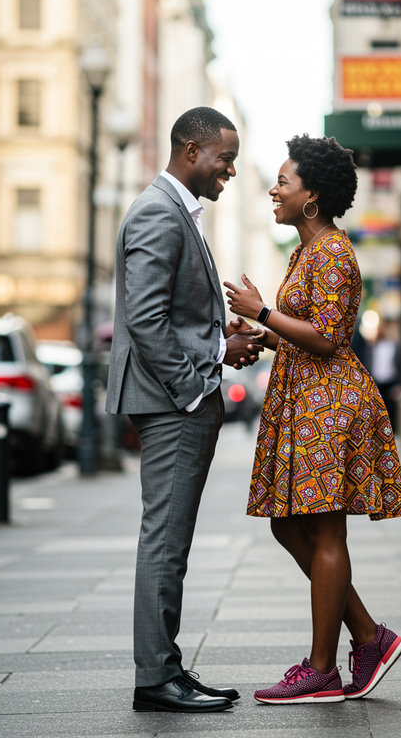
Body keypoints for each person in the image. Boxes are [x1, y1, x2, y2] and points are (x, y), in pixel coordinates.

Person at [224, 134, 401, 704]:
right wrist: (268, 332)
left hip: (330, 408)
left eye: (284, 182)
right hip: (307, 400)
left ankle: (324, 668)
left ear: (312, 196)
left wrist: (264, 312)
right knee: (288, 524)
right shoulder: (305, 251)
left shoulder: (332, 251)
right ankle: (369, 636)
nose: (273, 191)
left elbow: (329, 339)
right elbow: (307, 337)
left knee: (325, 529)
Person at [106, 106, 263, 713]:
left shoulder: (175, 211)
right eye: (224, 160)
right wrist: (195, 387)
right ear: (191, 149)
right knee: (165, 540)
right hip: (172, 402)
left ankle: (166, 667)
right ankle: (155, 679)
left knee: (171, 538)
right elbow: (144, 319)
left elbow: (175, 317)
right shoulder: (157, 211)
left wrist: (223, 346)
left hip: (177, 395)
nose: (228, 172)